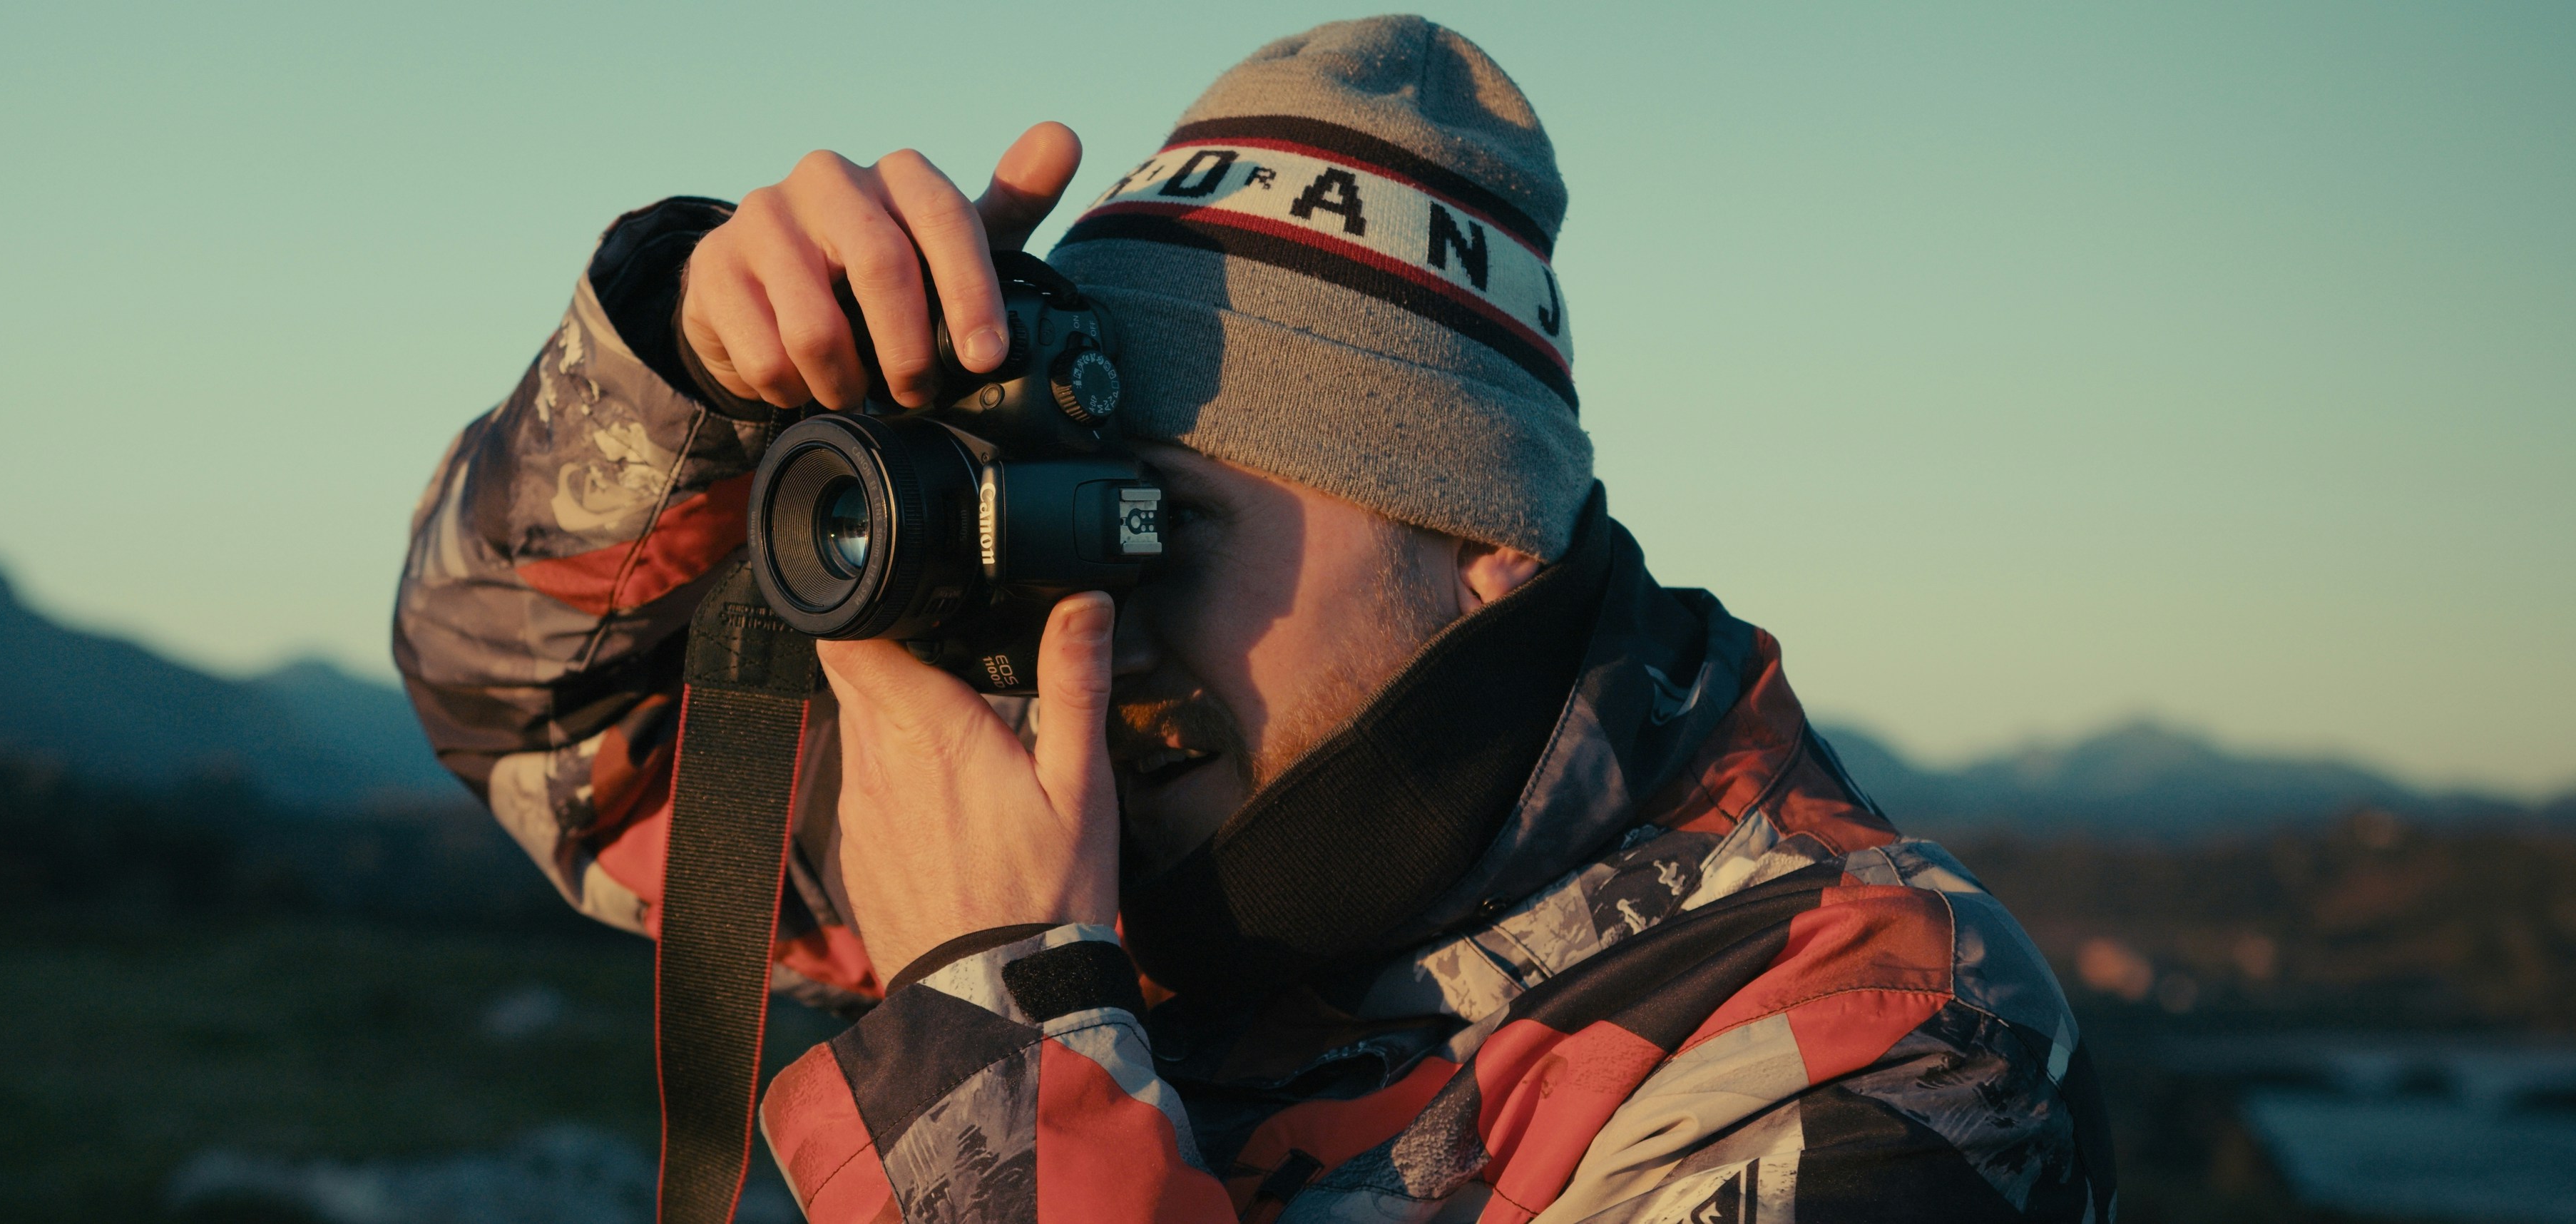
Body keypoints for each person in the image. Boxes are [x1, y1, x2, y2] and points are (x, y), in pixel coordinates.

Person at [394, 16, 2112, 1223]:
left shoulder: (1873, 1048)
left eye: (1165, 523)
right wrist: (688, 375)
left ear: (1488, 547)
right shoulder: (1114, 837)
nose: (1097, 616)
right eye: (1069, 516)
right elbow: (535, 721)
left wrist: (995, 1037)